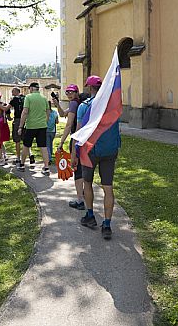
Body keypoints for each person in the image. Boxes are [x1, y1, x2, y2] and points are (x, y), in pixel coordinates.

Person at [71, 76, 121, 240]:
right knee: (108, 188)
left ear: (89, 88)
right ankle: (106, 225)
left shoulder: (84, 107)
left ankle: (90, 215)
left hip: (90, 151)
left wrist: (74, 154)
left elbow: (79, 134)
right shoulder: (113, 107)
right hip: (109, 150)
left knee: (87, 183)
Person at [53, 84, 84, 210]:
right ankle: (83, 196)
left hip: (76, 139)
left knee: (77, 169)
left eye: (71, 92)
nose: (69, 94)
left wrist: (61, 143)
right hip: (85, 139)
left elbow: (68, 124)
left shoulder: (73, 104)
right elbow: (62, 114)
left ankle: (80, 201)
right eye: (67, 92)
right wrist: (57, 105)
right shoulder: (79, 103)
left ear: (77, 92)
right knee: (83, 169)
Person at [0, 87, 35, 167]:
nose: (11, 93)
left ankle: (18, 158)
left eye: (12, 91)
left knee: (17, 140)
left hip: (17, 120)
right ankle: (30, 154)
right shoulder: (25, 98)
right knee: (25, 139)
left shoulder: (14, 100)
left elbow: (5, 108)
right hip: (27, 120)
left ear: (16, 91)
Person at [17, 82, 50, 174]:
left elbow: (25, 112)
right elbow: (48, 112)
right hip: (42, 126)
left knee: (26, 145)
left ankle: (22, 165)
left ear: (31, 88)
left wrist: (20, 126)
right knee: (43, 146)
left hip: (31, 126)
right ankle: (46, 168)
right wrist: (45, 121)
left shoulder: (28, 97)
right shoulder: (44, 98)